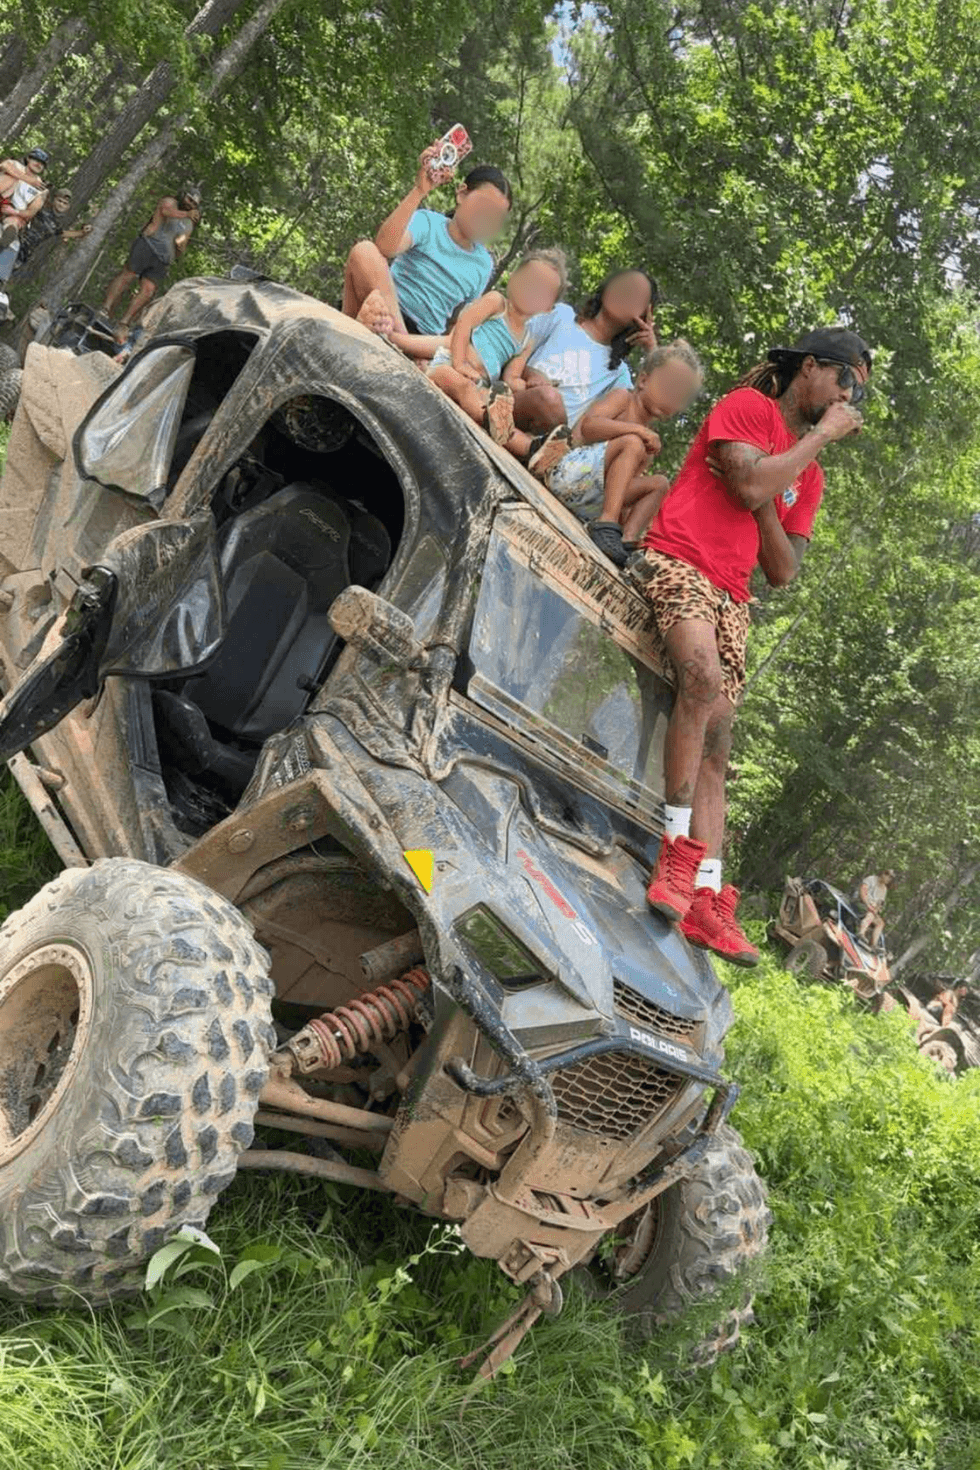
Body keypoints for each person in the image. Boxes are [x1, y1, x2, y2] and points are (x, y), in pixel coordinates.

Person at [636, 326, 872, 966]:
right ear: (812, 368)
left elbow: (784, 568)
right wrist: (807, 447)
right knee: (701, 680)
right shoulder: (748, 408)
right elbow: (742, 486)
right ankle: (674, 851)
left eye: (858, 393)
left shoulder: (809, 477)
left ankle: (708, 896)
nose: (849, 398)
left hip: (733, 595)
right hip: (680, 560)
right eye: (846, 380)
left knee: (719, 740)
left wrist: (769, 496)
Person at [541, 340, 703, 565]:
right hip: (570, 475)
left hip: (592, 502)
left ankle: (626, 539)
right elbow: (588, 426)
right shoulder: (623, 399)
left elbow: (621, 488)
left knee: (659, 484)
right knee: (633, 443)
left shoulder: (647, 442)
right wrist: (637, 431)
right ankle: (606, 523)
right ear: (644, 380)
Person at [342, 147, 511, 356]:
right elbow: (385, 246)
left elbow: (457, 323)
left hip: (422, 339)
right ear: (461, 194)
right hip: (386, 308)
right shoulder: (429, 223)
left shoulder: (483, 265)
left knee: (465, 340)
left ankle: (398, 342)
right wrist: (419, 191)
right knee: (364, 251)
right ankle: (398, 342)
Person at [501, 268, 658, 474]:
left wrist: (652, 350)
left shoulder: (618, 373)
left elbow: (647, 407)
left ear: (642, 316)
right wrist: (528, 378)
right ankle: (527, 445)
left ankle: (530, 449)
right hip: (518, 406)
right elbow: (516, 346)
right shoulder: (562, 316)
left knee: (553, 408)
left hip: (552, 443)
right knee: (549, 398)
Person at [425, 249, 567, 450]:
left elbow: (511, 379)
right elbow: (464, 324)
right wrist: (460, 362)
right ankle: (489, 420)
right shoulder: (497, 303)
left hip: (480, 384)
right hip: (448, 365)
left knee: (493, 407)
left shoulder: (527, 340)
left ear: (548, 308)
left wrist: (530, 385)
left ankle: (531, 449)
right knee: (466, 390)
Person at [101, 186, 202, 333]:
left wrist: (181, 245)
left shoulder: (188, 222)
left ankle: (124, 322)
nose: (190, 204)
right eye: (189, 199)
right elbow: (165, 211)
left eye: (194, 204)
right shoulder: (170, 202)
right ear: (183, 195)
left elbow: (183, 241)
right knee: (128, 275)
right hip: (148, 245)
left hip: (163, 259)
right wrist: (186, 214)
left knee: (148, 290)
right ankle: (105, 308)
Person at [8, 187, 91, 276]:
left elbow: (63, 233)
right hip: (14, 242)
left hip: (25, 252)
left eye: (65, 203)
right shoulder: (41, 207)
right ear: (54, 199)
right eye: (59, 201)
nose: (61, 204)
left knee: (4, 274)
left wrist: (82, 232)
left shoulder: (57, 223)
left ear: (68, 207)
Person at [0, 147, 50, 273]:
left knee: (13, 228)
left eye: (42, 163)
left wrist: (14, 212)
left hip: (15, 214)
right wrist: (28, 179)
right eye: (36, 160)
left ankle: (5, 241)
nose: (39, 164)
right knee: (10, 177)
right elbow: (4, 165)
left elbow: (31, 212)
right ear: (28, 159)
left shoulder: (41, 189)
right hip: (2, 199)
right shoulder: (16, 166)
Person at [854, 869, 895, 947]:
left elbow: (880, 903)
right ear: (883, 874)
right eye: (888, 876)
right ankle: (861, 933)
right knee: (871, 914)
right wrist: (868, 905)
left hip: (871, 909)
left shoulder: (884, 889)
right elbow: (863, 892)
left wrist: (877, 909)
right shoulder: (871, 879)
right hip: (860, 903)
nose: (888, 879)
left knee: (880, 923)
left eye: (890, 878)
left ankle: (873, 944)